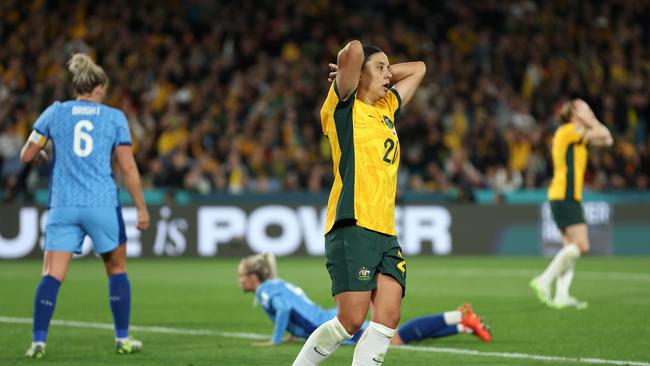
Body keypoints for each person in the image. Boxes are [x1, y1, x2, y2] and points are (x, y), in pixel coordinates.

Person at [292, 40, 426, 366]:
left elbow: (420, 68)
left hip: (384, 228)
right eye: (380, 68)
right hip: (352, 224)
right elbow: (351, 49)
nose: (389, 74)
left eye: (389, 69)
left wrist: (383, 71)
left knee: (387, 318)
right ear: (359, 75)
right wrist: (351, 73)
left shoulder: (386, 109)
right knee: (350, 321)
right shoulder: (343, 107)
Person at [20, 53, 150, 358]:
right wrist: (141, 207)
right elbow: (128, 168)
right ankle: (123, 339)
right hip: (102, 203)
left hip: (63, 204)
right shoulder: (114, 117)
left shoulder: (55, 112)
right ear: (99, 88)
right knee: (117, 269)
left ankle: (38, 342)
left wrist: (40, 155)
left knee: (52, 274)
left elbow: (27, 154)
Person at [238, 253, 491, 347]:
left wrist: (276, 340)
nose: (239, 281)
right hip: (326, 316)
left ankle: (460, 316)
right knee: (396, 338)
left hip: (335, 323)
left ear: (252, 277)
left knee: (395, 339)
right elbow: (298, 307)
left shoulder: (264, 291)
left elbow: (284, 310)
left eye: (241, 276)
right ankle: (463, 325)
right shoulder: (277, 283)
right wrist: (296, 333)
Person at [530, 99, 613, 309]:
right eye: (584, 108)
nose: (589, 110)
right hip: (565, 195)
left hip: (563, 195)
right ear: (574, 113)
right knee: (581, 245)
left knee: (570, 248)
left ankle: (562, 296)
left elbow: (608, 140)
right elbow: (604, 135)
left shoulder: (577, 136)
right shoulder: (569, 130)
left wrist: (590, 120)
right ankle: (544, 280)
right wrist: (591, 120)